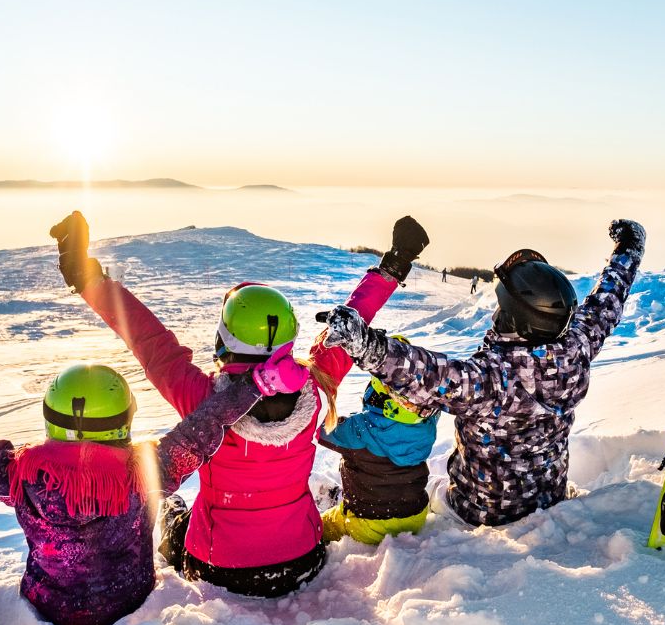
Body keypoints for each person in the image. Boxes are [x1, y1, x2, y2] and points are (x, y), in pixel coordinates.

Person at [50, 212, 429, 596]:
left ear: (225, 338)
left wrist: (87, 278)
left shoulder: (203, 401)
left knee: (173, 516)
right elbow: (351, 325)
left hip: (220, 567)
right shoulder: (314, 388)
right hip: (303, 558)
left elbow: (149, 340)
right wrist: (394, 264)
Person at [0, 346, 309, 625]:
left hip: (51, 610)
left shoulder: (19, 475)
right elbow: (204, 427)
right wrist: (256, 384)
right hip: (131, 601)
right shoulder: (148, 472)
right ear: (123, 421)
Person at [319, 219, 644, 527]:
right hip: (549, 495)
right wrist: (628, 250)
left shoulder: (491, 378)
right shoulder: (577, 348)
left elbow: (424, 374)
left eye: (502, 307)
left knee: (425, 495)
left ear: (515, 318)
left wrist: (363, 343)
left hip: (481, 511)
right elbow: (605, 304)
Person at [318, 336, 441, 545]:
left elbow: (321, 430)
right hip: (415, 515)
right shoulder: (425, 425)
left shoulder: (359, 429)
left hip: (369, 523)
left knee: (322, 526)